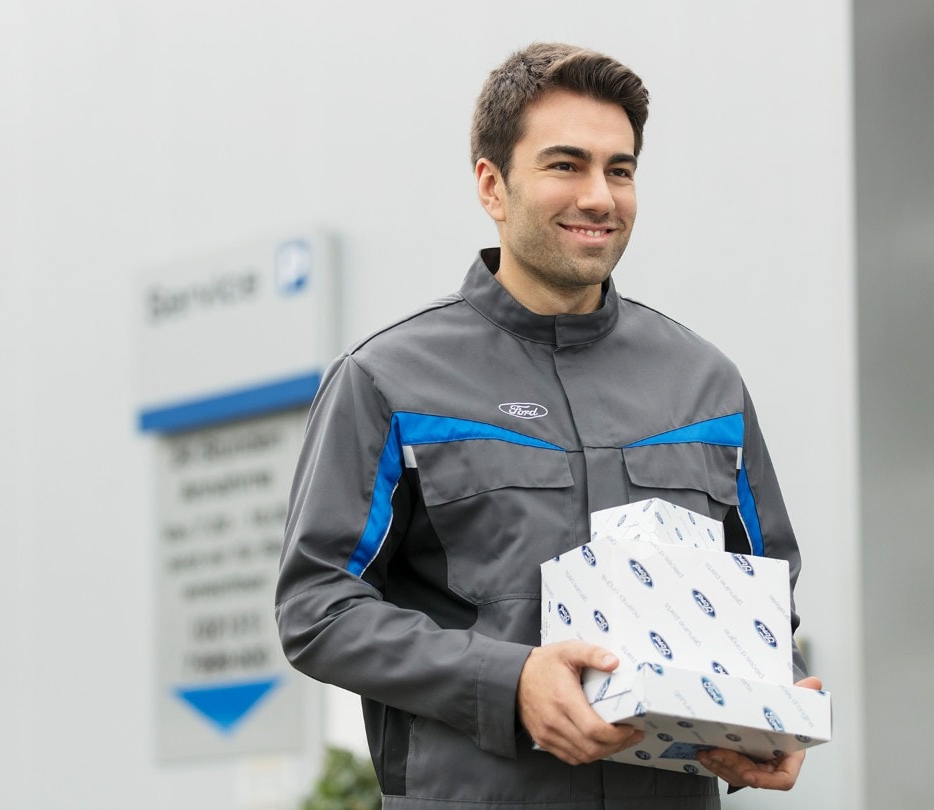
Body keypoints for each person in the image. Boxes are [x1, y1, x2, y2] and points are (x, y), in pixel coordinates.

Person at [276, 42, 820, 810]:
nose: (600, 196)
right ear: (492, 186)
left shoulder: (707, 385)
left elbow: (768, 593)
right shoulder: (386, 380)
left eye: (620, 169)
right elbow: (316, 608)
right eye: (566, 165)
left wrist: (771, 705)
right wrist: (507, 681)